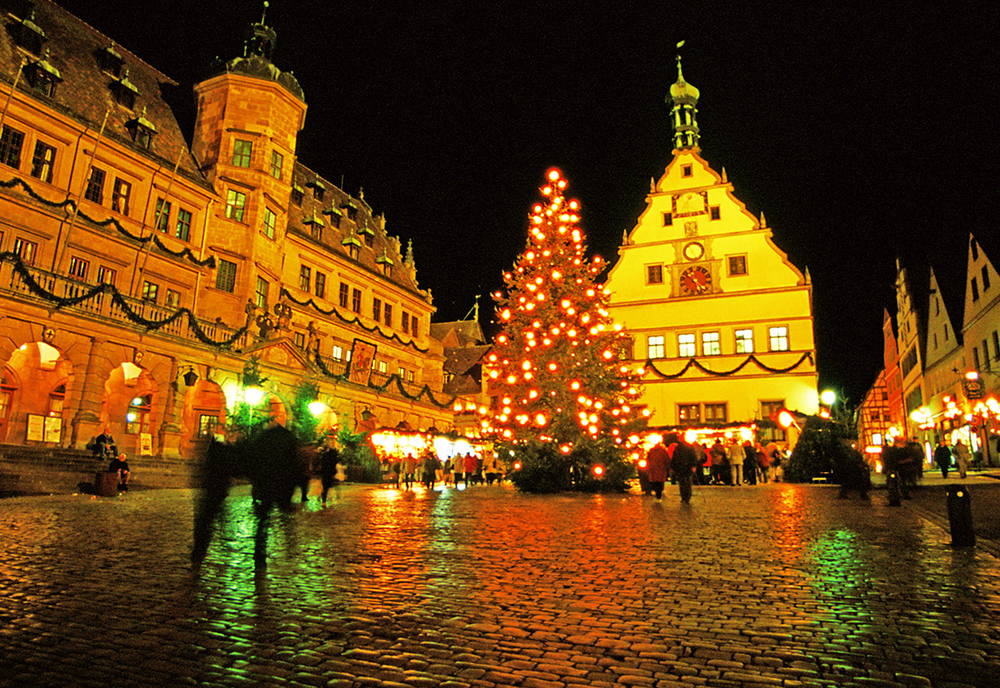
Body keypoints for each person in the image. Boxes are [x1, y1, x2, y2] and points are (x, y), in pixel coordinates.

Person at [666, 433, 697, 503]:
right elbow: (693, 457)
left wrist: (673, 467)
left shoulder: (678, 448)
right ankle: (686, 497)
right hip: (686, 467)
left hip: (681, 467)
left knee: (682, 483)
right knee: (687, 483)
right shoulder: (688, 447)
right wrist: (693, 465)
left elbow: (674, 458)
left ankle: (684, 497)